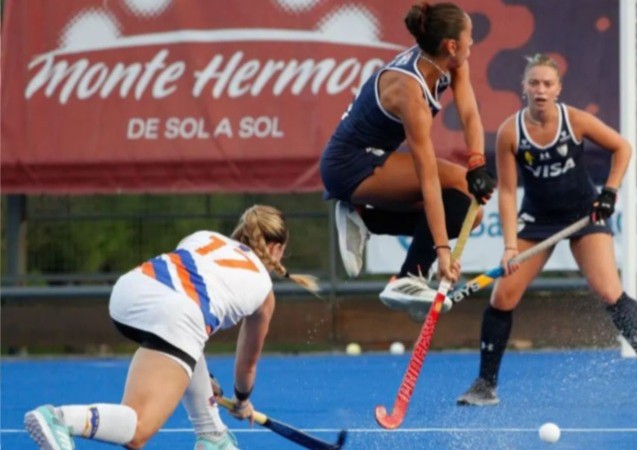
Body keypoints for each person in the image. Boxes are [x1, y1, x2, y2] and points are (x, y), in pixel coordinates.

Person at [456, 54, 637, 406]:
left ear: (558, 89)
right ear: (524, 88)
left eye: (548, 84)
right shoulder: (509, 132)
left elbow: (622, 147)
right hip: (538, 221)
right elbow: (510, 192)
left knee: (610, 292)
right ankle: (486, 385)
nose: (541, 90)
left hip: (583, 217)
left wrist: (609, 192)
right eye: (534, 83)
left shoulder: (574, 120)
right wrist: (511, 246)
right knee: (502, 297)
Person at [24, 205, 319, 450]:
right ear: (277, 249)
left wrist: (201, 376)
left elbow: (187, 327)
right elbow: (246, 368)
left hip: (129, 292)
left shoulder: (203, 237)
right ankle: (59, 419)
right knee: (138, 428)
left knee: (189, 350)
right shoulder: (264, 293)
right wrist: (242, 401)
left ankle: (214, 436)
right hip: (176, 315)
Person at [319, 1, 496, 320]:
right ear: (451, 45)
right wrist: (442, 252)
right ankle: (408, 276)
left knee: (470, 212)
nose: (473, 42)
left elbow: (469, 113)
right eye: (469, 37)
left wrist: (478, 163)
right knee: (457, 183)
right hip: (348, 165)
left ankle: (367, 218)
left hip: (375, 157)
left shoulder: (451, 62)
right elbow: (427, 175)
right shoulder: (409, 91)